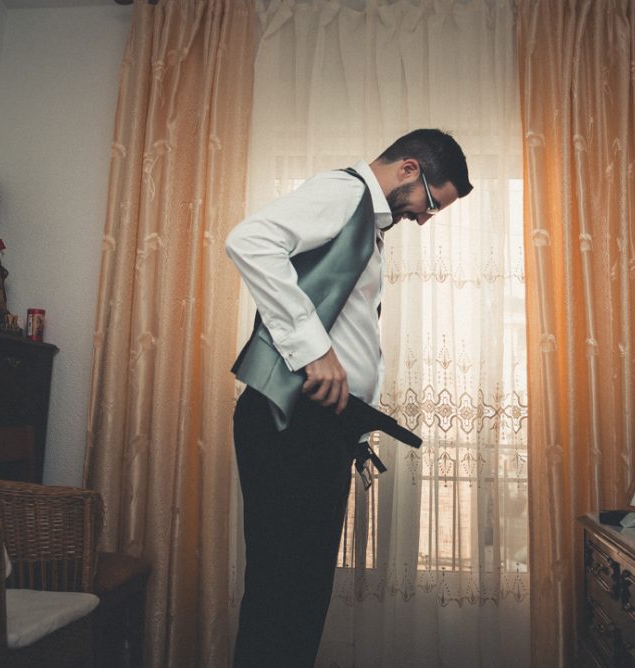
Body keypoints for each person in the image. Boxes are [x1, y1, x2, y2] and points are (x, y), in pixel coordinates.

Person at [226, 129, 473, 667]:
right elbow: (250, 240)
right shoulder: (344, 193)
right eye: (431, 204)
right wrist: (314, 349)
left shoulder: (367, 221)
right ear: (409, 169)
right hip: (292, 422)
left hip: (318, 429)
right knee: (282, 594)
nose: (425, 219)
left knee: (302, 594)